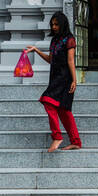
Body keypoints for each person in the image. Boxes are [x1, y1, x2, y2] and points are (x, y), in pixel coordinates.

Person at [26, 11, 82, 152]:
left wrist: (74, 80)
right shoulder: (54, 40)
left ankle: (57, 136)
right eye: (52, 24)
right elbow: (51, 60)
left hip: (65, 78)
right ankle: (76, 142)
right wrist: (36, 50)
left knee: (47, 100)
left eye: (56, 24)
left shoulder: (69, 39)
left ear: (62, 24)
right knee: (64, 111)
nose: (54, 27)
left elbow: (70, 60)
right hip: (55, 77)